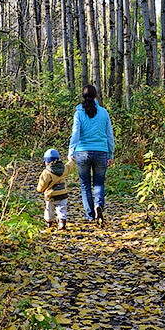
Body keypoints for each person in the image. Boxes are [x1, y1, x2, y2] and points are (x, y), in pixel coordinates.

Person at [68, 84, 115, 225]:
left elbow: (75, 134)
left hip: (82, 152)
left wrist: (71, 152)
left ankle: (90, 215)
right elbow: (109, 135)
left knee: (85, 185)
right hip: (101, 151)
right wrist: (111, 153)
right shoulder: (104, 112)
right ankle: (98, 205)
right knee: (99, 182)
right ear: (95, 96)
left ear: (83, 96)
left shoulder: (79, 113)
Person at [36, 148, 75, 230]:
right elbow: (69, 166)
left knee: (49, 209)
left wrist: (39, 189)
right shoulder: (64, 168)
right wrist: (71, 160)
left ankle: (49, 222)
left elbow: (42, 184)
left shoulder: (46, 172)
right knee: (62, 209)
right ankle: (62, 222)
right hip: (63, 194)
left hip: (51, 195)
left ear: (46, 161)